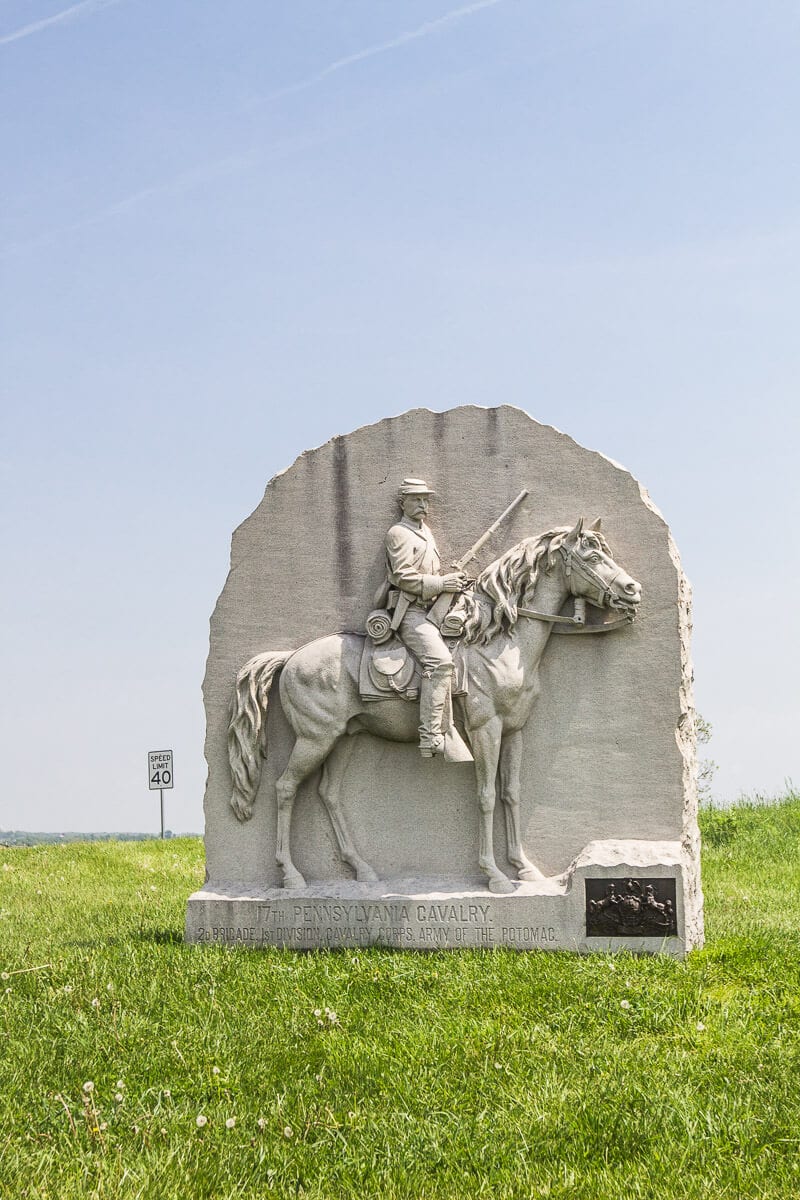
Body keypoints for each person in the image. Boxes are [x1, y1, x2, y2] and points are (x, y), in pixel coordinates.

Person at [381, 478, 466, 757]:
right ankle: (430, 736)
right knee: (440, 662)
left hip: (433, 610)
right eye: (416, 499)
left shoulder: (425, 531)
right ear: (402, 503)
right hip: (412, 614)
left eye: (426, 500)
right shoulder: (399, 533)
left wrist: (454, 583)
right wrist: (442, 584)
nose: (423, 505)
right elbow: (404, 577)